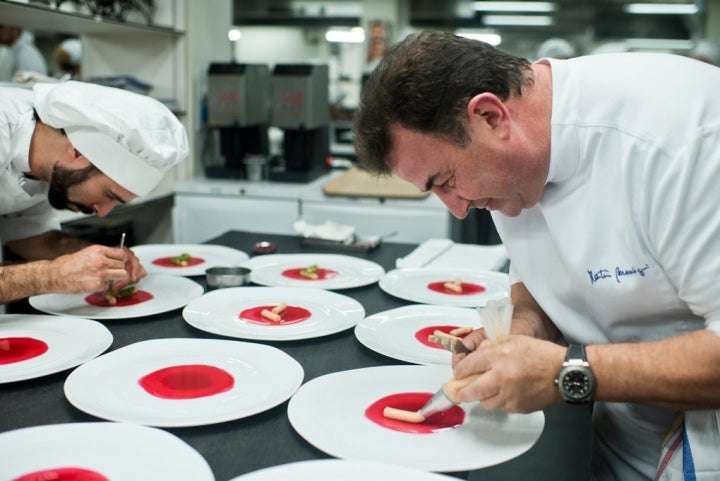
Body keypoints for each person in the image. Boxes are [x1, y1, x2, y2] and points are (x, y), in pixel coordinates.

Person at [353, 31, 720, 481]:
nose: (456, 207)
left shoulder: (683, 140)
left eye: (445, 179)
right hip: (615, 437)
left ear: (489, 116)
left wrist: (566, 372)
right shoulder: (515, 162)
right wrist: (520, 330)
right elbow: (539, 278)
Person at [0, 80, 188, 304]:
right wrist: (52, 276)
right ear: (78, 152)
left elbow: (30, 238)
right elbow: (49, 272)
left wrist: (102, 261)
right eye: (109, 195)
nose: (102, 213)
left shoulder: (48, 162)